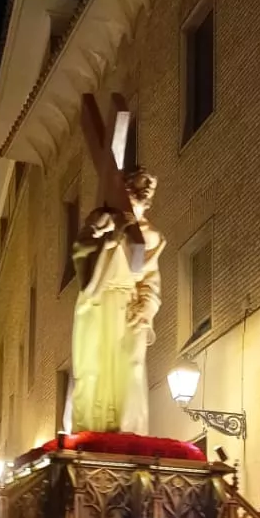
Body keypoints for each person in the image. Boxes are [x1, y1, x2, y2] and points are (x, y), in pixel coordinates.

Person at [70, 169, 164, 433]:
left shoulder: (151, 235)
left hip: (129, 307)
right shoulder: (102, 219)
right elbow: (83, 251)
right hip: (99, 301)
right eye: (142, 182)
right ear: (126, 185)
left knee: (131, 365)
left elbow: (151, 280)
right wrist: (112, 238)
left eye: (151, 185)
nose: (147, 188)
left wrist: (146, 306)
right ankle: (92, 427)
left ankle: (128, 429)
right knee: (94, 365)